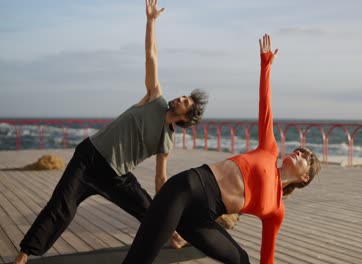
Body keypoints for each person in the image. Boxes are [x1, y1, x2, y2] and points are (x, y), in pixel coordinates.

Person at [13, 1, 208, 263]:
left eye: (185, 102)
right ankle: (25, 253)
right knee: (62, 208)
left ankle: (172, 236)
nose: (180, 98)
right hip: (89, 157)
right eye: (183, 96)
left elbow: (161, 179)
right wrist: (151, 22)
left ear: (186, 117)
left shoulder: (167, 142)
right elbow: (151, 56)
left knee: (148, 209)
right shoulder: (154, 98)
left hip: (115, 176)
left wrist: (166, 202)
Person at [122, 34, 321, 264]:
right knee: (139, 259)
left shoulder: (276, 211)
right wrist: (265, 65)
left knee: (241, 260)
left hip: (202, 218)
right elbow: (265, 105)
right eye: (300, 150)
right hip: (185, 189)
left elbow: (268, 256)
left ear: (304, 177)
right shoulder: (270, 150)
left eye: (305, 157)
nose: (299, 153)